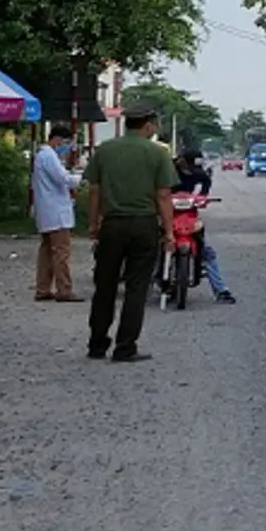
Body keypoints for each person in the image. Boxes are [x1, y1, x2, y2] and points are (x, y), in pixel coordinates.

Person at [83, 104, 178, 363]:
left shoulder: (105, 150)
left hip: (112, 225)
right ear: (148, 125)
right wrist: (169, 232)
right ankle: (125, 346)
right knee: (137, 287)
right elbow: (163, 195)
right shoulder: (156, 153)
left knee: (105, 285)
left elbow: (94, 190)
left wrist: (93, 224)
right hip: (143, 225)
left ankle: (97, 344)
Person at [169, 151, 235, 303]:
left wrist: (202, 198)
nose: (189, 167)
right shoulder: (168, 168)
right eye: (186, 162)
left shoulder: (199, 174)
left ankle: (221, 290)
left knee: (206, 251)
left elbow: (205, 186)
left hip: (189, 214)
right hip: (168, 212)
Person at [32, 125, 82, 302]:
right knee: (61, 252)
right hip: (56, 212)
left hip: (48, 211)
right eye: (66, 142)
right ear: (58, 139)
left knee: (46, 252)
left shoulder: (43, 156)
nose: (66, 146)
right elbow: (64, 179)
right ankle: (64, 290)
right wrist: (82, 178)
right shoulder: (49, 156)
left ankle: (43, 288)